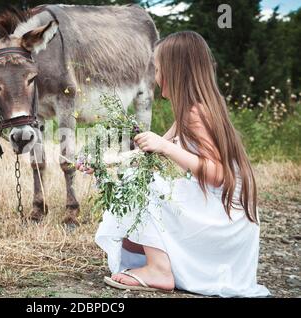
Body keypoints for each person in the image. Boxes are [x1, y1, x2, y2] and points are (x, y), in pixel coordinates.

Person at [76, 31, 270, 297]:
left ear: (174, 71)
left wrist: (165, 146)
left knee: (143, 184)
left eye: (157, 69)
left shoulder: (195, 113)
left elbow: (219, 174)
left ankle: (159, 269)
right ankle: (158, 263)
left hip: (225, 219)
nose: (155, 77)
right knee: (134, 180)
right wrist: (102, 163)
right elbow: (146, 157)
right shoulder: (193, 108)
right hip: (224, 216)